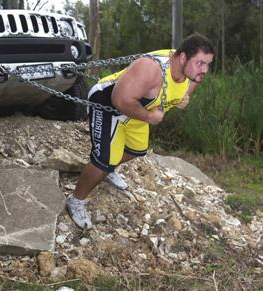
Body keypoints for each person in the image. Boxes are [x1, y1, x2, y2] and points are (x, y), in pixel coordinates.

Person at [66, 33, 215, 229]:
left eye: (208, 64)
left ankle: (109, 169)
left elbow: (184, 91)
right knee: (104, 160)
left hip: (136, 110)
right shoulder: (151, 68)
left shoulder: (192, 74)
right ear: (183, 57)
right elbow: (120, 100)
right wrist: (149, 117)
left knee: (137, 149)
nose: (204, 70)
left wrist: (185, 98)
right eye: (200, 63)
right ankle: (76, 200)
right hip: (108, 103)